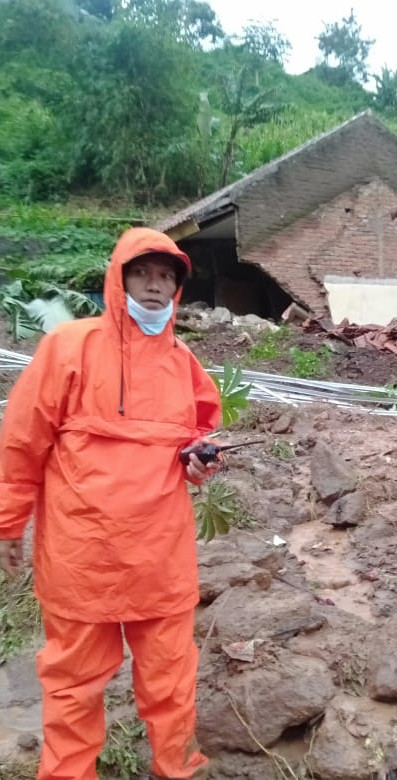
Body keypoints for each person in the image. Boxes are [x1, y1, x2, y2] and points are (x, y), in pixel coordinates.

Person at [0, 227, 222, 780]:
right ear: (117, 279)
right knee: (74, 687)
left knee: (171, 683)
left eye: (166, 276)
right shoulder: (69, 347)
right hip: (83, 560)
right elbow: (23, 440)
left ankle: (175, 769)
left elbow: (199, 441)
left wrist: (201, 462)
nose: (154, 286)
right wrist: (9, 524)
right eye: (142, 273)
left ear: (176, 290)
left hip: (159, 560)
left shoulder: (184, 362)